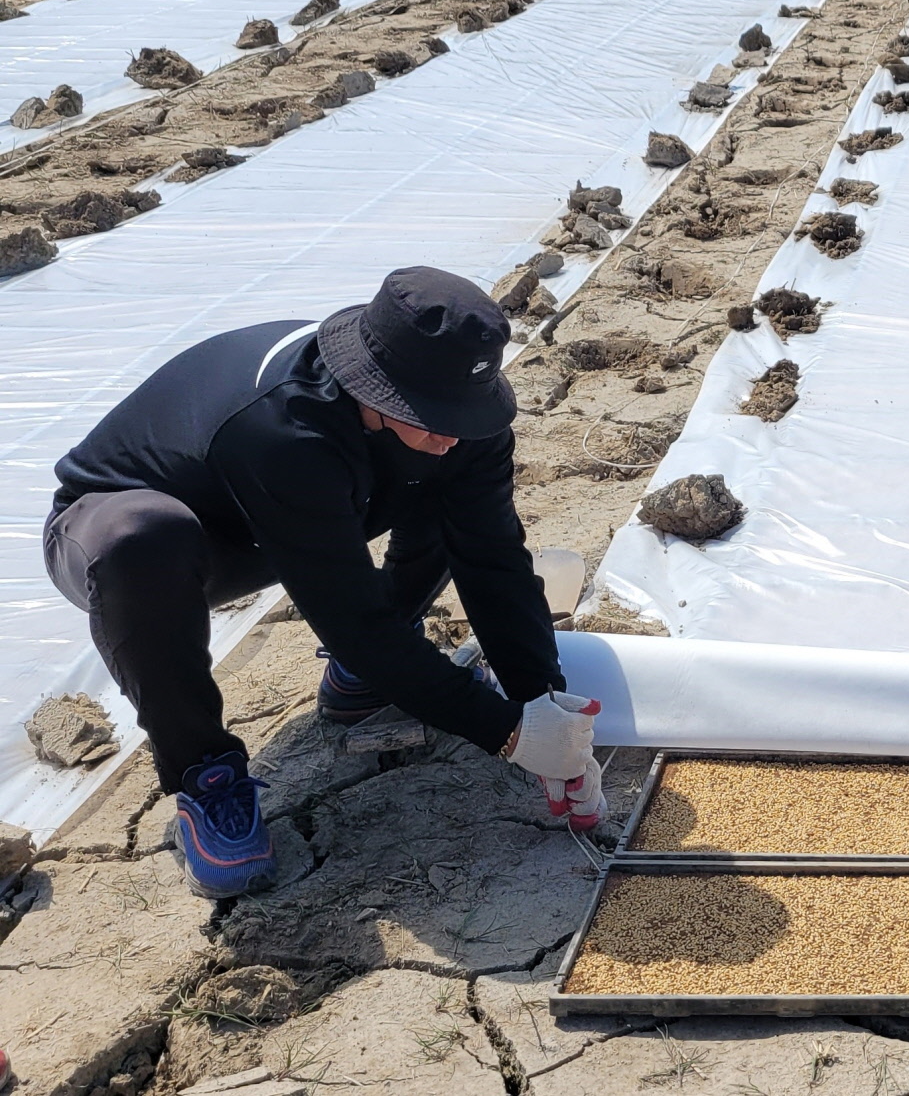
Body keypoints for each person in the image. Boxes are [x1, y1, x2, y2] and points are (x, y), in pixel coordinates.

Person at [44, 267, 608, 898]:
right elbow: (350, 615)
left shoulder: (458, 420)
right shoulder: (283, 428)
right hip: (140, 539)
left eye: (463, 413)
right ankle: (206, 776)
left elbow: (493, 557)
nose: (449, 431)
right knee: (142, 538)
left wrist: (542, 701)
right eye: (430, 414)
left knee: (445, 489)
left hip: (292, 513)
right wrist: (507, 734)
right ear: (371, 384)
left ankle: (361, 680)